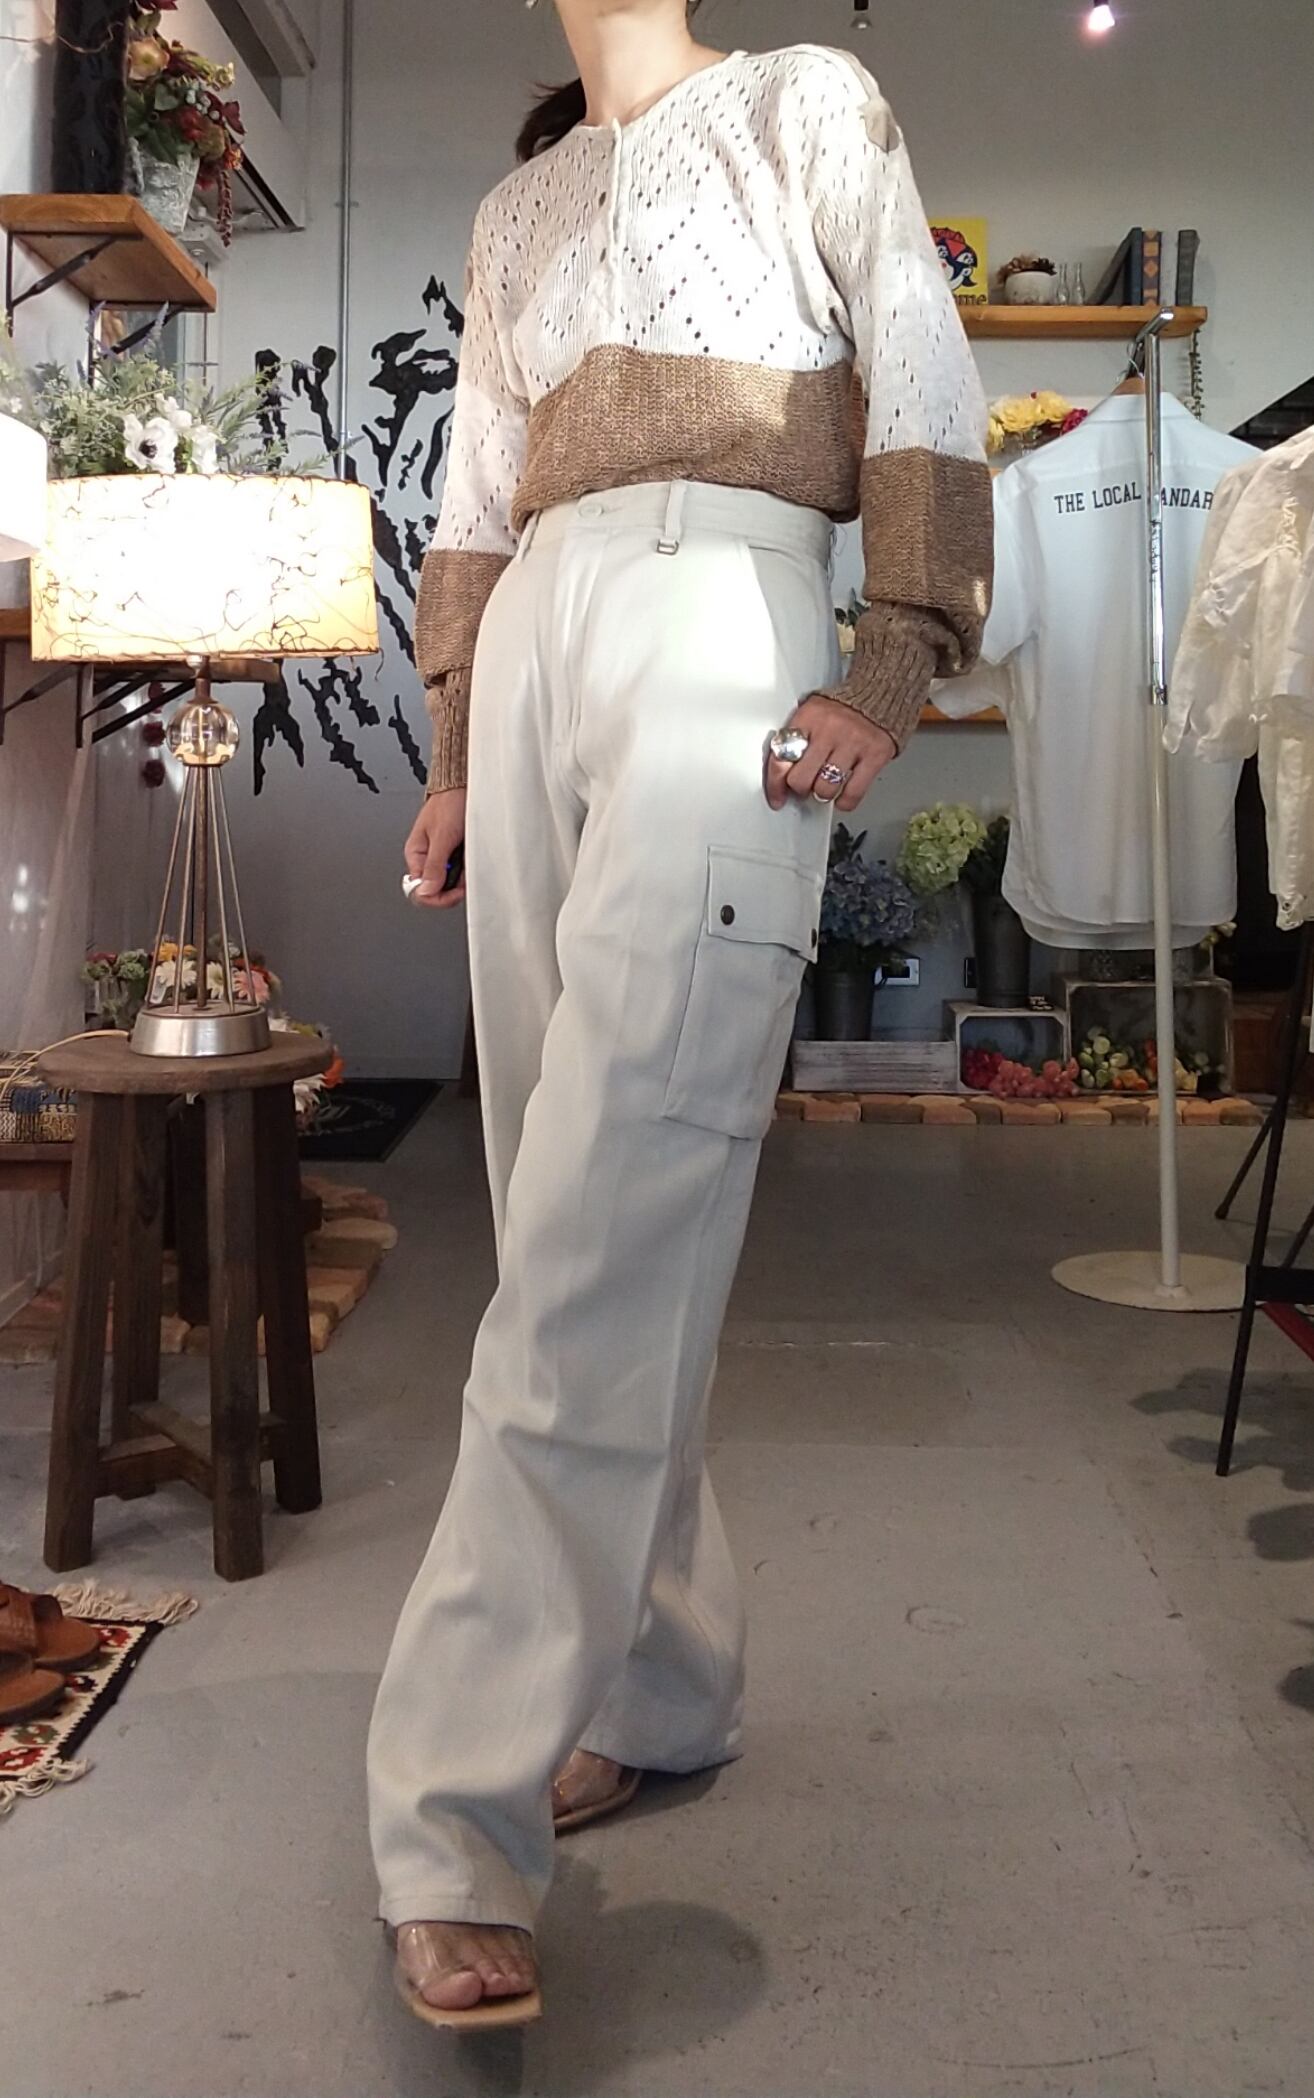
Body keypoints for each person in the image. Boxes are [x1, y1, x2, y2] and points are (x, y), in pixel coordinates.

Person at [368, 0, 992, 2029]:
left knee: (604, 1211)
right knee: (566, 1202)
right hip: (535, 642)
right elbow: (475, 498)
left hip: (727, 602)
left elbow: (919, 362)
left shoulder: (806, 99)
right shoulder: (519, 208)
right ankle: (661, 1674)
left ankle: (450, 1809)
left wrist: (895, 652)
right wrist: (454, 750)